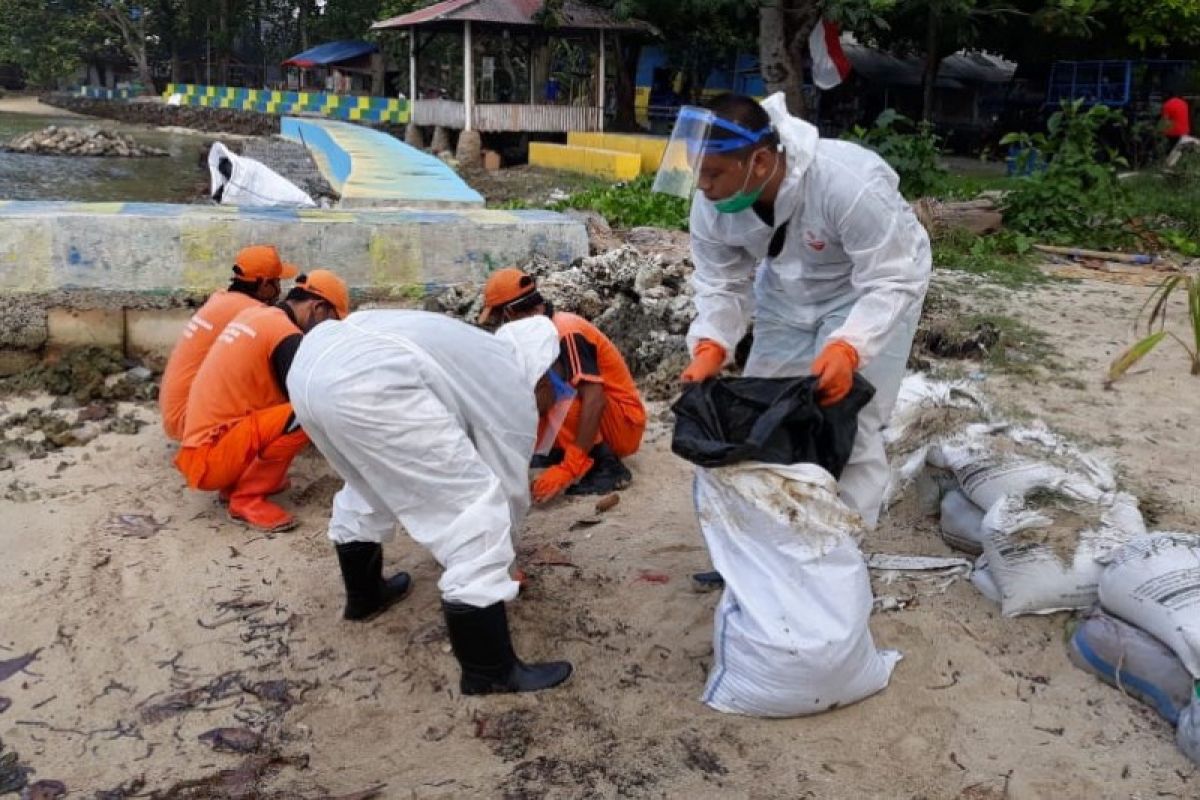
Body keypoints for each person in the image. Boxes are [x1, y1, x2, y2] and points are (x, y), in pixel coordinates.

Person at [656, 92, 930, 531]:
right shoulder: (711, 203)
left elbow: (891, 278)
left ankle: (844, 537)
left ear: (760, 163)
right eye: (696, 172)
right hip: (786, 288)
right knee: (768, 410)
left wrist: (850, 347)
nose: (702, 186)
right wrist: (712, 341)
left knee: (851, 417)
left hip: (867, 287)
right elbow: (721, 281)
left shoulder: (846, 182)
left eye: (712, 174)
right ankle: (771, 533)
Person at [286, 310, 572, 695]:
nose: (555, 395)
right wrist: (505, 562)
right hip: (370, 381)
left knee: (368, 481)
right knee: (474, 508)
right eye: (554, 383)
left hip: (312, 366)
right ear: (540, 371)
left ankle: (365, 597)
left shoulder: (476, 348)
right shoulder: (508, 381)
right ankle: (488, 670)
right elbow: (507, 488)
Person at [175, 270, 349, 532]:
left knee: (287, 410)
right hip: (208, 462)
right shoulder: (286, 336)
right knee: (307, 412)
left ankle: (236, 484)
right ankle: (246, 499)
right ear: (318, 308)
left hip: (202, 450)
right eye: (332, 322)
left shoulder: (258, 316)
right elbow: (311, 398)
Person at [478, 268, 647, 502]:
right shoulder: (539, 335)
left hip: (621, 421)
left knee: (558, 394)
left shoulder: (566, 332)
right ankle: (566, 451)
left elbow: (594, 399)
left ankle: (606, 465)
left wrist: (570, 466)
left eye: (498, 319)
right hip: (605, 414)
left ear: (509, 313)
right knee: (538, 396)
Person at [159, 245, 298, 442]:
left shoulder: (219, 299)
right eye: (277, 282)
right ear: (265, 285)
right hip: (190, 421)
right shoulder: (251, 312)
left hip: (174, 414)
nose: (280, 290)